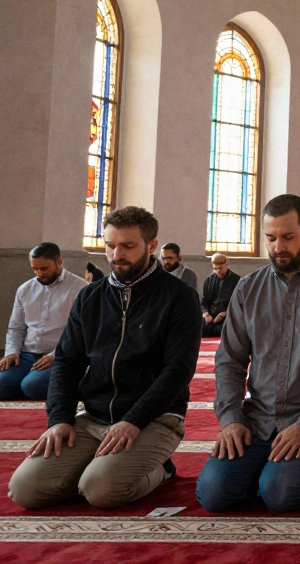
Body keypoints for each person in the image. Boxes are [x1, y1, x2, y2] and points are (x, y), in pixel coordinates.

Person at [7, 207, 201, 510]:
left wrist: (134, 421)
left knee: (100, 491)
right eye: (110, 245)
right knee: (25, 490)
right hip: (94, 417)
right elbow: (67, 362)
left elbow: (178, 370)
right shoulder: (90, 296)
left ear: (151, 246)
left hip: (153, 419)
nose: (116, 254)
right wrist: (59, 420)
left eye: (127, 246)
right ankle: (99, 468)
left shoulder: (179, 297)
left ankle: (160, 468)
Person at [196, 195, 300, 514]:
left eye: (288, 237)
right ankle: (266, 472)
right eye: (270, 238)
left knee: (280, 494)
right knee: (213, 494)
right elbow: (229, 359)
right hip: (258, 416)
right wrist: (231, 419)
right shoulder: (248, 288)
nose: (278, 247)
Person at [1, 243, 88, 400]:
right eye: (35, 269)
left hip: (60, 356)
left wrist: (55, 356)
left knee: (32, 387)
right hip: (27, 355)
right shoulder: (25, 289)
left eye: (44, 268)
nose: (38, 273)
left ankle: (69, 381)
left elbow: (81, 331)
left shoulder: (80, 287)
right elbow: (16, 328)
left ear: (59, 262)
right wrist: (11, 352)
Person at [200, 253, 240, 339]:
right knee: (199, 329)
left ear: (226, 265)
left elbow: (238, 303)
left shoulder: (236, 280)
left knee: (223, 330)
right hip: (211, 316)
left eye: (220, 268)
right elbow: (204, 301)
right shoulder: (209, 280)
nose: (218, 271)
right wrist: (206, 314)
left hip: (227, 316)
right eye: (215, 269)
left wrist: (224, 314)